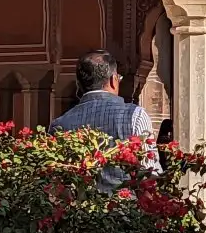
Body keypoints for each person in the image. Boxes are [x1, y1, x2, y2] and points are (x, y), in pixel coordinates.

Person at [50, 50, 160, 194]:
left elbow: (57, 182)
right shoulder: (134, 115)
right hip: (127, 211)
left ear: (79, 85)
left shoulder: (60, 124)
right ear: (113, 80)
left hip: (79, 212)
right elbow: (150, 172)